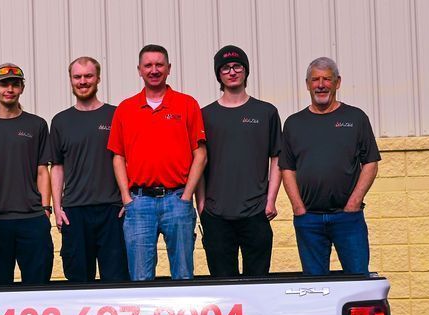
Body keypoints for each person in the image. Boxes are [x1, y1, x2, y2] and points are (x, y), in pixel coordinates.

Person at [108, 44, 207, 280]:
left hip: (177, 200)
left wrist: (187, 196)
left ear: (169, 68)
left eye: (159, 64)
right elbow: (118, 156)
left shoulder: (187, 104)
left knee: (183, 276)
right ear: (139, 70)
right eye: (148, 65)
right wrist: (126, 198)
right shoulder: (126, 108)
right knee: (140, 278)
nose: (154, 70)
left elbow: (200, 154)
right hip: (139, 203)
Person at [279, 57, 380, 275]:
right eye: (315, 79)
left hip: (348, 219)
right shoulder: (294, 123)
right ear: (307, 84)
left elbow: (370, 162)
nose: (321, 84)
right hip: (309, 221)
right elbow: (287, 168)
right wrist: (298, 208)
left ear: (338, 82)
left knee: (358, 281)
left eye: (327, 79)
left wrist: (354, 202)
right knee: (316, 287)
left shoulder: (355, 118)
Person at [199, 45, 282, 277]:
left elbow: (277, 157)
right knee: (223, 287)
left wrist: (271, 200)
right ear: (219, 74)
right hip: (216, 215)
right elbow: (199, 162)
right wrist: (202, 205)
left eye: (237, 66)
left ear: (245, 71)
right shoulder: (205, 115)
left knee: (258, 284)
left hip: (256, 213)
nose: (232, 72)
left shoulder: (266, 112)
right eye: (225, 68)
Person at [49, 57, 130, 283]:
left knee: (116, 280)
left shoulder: (116, 115)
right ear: (71, 80)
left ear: (98, 79)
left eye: (88, 76)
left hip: (113, 211)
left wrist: (128, 198)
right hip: (74, 212)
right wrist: (58, 207)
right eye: (77, 77)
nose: (83, 81)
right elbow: (56, 166)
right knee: (78, 280)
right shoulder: (60, 121)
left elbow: (127, 159)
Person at [0, 63, 53, 285]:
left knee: (38, 287)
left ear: (22, 88)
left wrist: (45, 210)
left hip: (32, 219)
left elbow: (42, 170)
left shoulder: (37, 125)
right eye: (3, 84)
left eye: (14, 84)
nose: (9, 89)